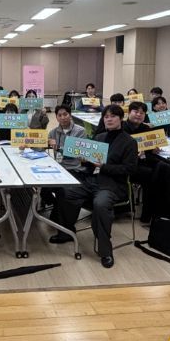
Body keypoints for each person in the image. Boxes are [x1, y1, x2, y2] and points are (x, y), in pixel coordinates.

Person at [50, 105, 138, 268]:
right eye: (106, 117)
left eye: (113, 116)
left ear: (121, 118)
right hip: (92, 180)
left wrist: (103, 166)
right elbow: (90, 164)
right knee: (65, 191)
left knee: (100, 204)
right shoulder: (99, 137)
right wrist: (85, 161)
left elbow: (129, 169)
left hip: (112, 184)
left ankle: (105, 251)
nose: (109, 119)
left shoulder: (129, 142)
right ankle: (66, 232)